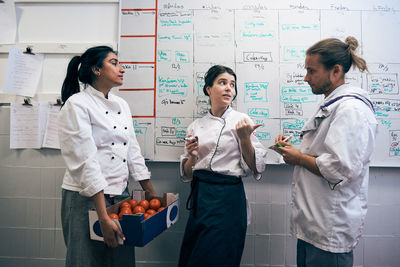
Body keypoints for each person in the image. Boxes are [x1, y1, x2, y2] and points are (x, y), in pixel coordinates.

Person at [275, 37, 378, 267]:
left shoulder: (351, 110)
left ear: (335, 71)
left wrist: (299, 158)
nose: (306, 78)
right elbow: (325, 154)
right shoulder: (334, 105)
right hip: (315, 226)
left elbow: (339, 169)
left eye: (312, 71)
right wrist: (296, 152)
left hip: (330, 229)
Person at [58, 46, 156, 266]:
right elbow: (86, 161)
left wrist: (151, 193)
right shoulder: (77, 104)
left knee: (121, 261)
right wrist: (102, 216)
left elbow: (133, 152)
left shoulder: (122, 105)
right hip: (85, 199)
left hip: (120, 196)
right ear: (96, 69)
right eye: (114, 62)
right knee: (85, 260)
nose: (122, 69)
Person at [178, 65, 268, 267]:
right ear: (208, 89)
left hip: (228, 198)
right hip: (202, 196)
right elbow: (186, 174)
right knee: (195, 255)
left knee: (221, 256)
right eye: (223, 82)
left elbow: (256, 168)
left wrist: (245, 139)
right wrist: (192, 158)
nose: (229, 88)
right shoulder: (195, 125)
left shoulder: (242, 121)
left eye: (233, 84)